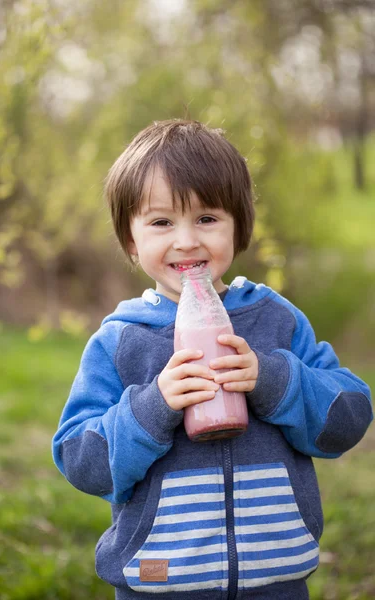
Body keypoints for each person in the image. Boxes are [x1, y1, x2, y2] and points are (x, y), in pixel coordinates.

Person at [52, 119, 372, 600]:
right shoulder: (121, 340)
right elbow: (81, 461)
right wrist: (152, 407)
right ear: (131, 241)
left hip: (276, 578)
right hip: (161, 580)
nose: (186, 241)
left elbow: (349, 418)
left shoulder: (276, 320)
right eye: (161, 222)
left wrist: (274, 379)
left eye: (206, 218)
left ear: (239, 226)